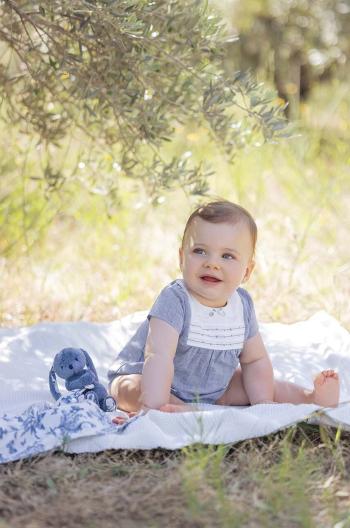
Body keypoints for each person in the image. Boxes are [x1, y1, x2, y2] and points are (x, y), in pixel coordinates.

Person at [108, 200, 339, 423]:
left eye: (227, 256)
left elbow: (255, 359)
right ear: (181, 258)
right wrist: (153, 407)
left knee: (263, 383)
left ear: (247, 271)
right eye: (199, 251)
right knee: (131, 389)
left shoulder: (242, 305)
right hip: (153, 378)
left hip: (215, 387)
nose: (212, 263)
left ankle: (310, 398)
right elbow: (158, 356)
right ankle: (168, 407)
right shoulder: (175, 300)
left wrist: (262, 401)